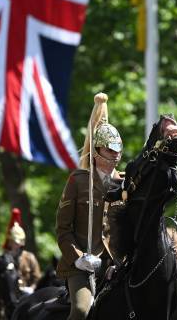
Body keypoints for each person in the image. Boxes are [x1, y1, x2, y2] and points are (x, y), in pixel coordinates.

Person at [56, 92, 122, 320]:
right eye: (110, 150)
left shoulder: (124, 184)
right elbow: (63, 230)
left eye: (118, 150)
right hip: (81, 265)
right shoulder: (78, 180)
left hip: (114, 263)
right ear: (96, 152)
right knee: (82, 310)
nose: (116, 156)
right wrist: (78, 258)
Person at [2, 208, 41, 295]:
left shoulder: (29, 257)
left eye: (18, 242)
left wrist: (31, 288)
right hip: (10, 295)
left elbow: (37, 277)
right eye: (14, 241)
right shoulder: (5, 258)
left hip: (27, 294)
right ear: (10, 241)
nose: (16, 244)